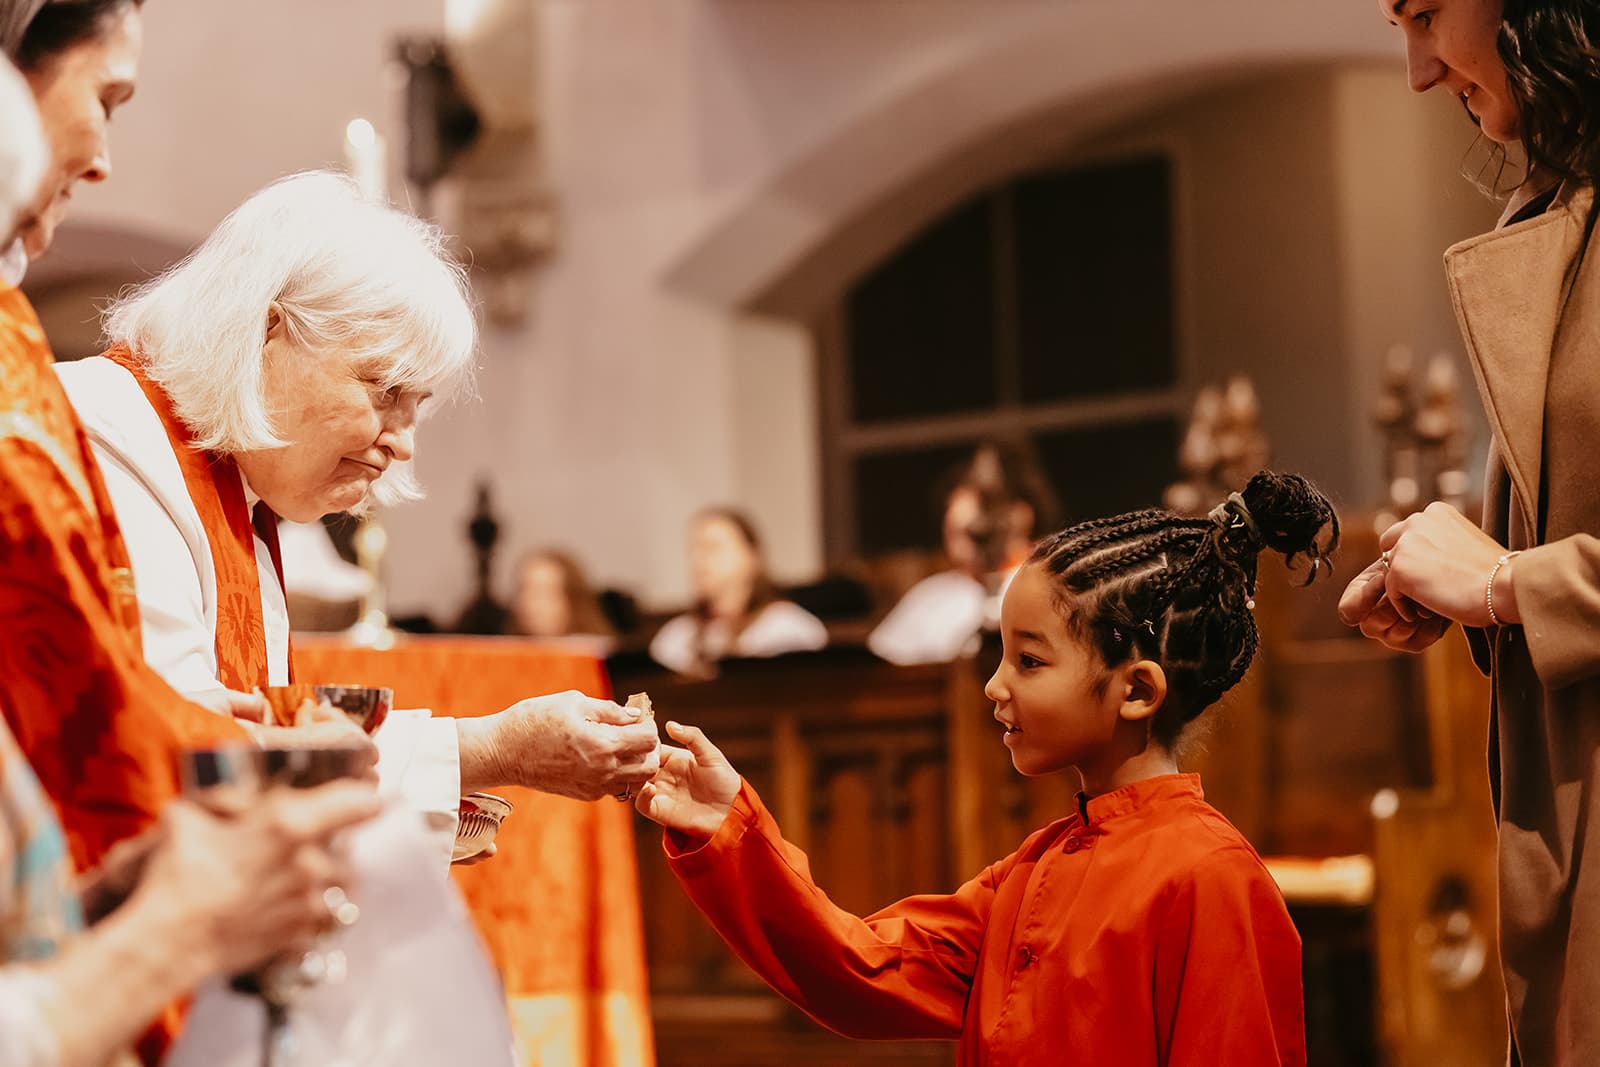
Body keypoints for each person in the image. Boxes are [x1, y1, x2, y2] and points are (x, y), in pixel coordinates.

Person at [54, 172, 662, 865]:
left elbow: (272, 749)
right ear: (269, 332)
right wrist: (494, 747)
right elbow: (180, 750)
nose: (404, 442)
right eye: (385, 390)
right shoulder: (108, 437)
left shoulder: (233, 490)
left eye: (416, 406)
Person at [639, 471, 1336, 1064]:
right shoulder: (1030, 872)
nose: (995, 685)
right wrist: (727, 828)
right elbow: (860, 967)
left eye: (1029, 661)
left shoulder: (1210, 876)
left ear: (1137, 689)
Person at [1338, 3, 1600, 1062]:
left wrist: (1504, 585)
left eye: (1426, 13)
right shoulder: (1566, 214)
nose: (1414, 70)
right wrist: (1454, 571)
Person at [868, 440, 1061, 665]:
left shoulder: (1050, 587)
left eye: (976, 532)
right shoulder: (931, 596)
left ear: (1020, 516)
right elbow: (876, 666)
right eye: (955, 534)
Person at [649, 507, 827, 677]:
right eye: (693, 550)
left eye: (712, 548)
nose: (698, 560)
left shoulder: (788, 629)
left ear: (752, 555)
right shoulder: (678, 637)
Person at [510, 547, 617, 654]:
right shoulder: (507, 651)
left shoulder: (597, 654)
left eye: (546, 592)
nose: (530, 602)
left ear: (572, 599)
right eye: (523, 589)